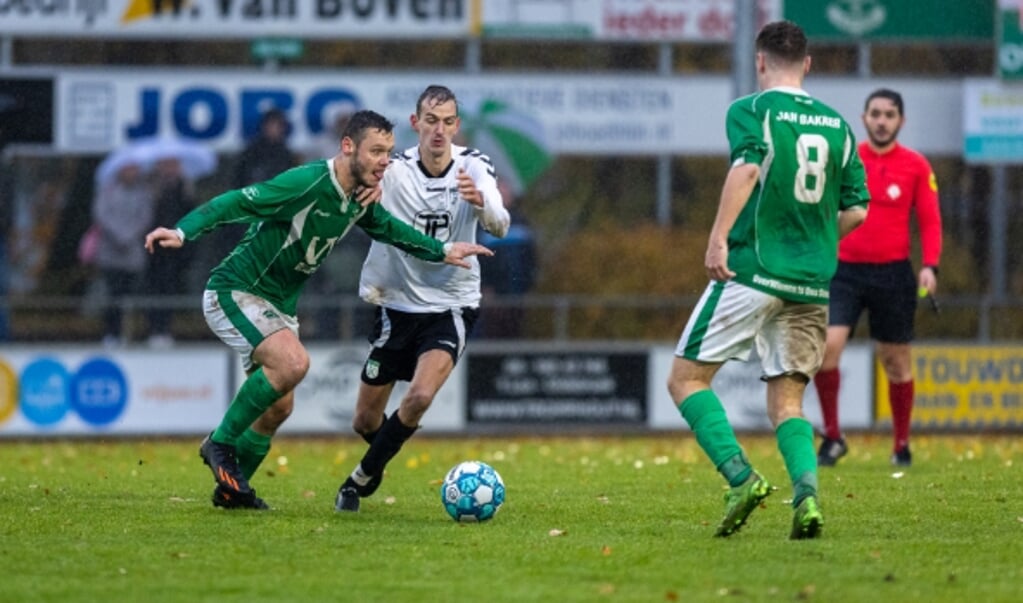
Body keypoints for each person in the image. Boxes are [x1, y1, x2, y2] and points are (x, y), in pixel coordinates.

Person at [144, 110, 492, 510]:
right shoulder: (307, 181)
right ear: (348, 146)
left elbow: (392, 231)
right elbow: (238, 202)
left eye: (389, 152)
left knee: (278, 408)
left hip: (276, 306)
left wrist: (444, 249)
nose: (385, 161)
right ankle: (219, 444)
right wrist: (183, 231)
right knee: (293, 364)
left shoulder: (357, 198)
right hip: (237, 291)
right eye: (377, 151)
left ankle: (231, 492)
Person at [665, 20, 869, 540]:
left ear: (759, 62)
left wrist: (718, 237)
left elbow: (748, 169)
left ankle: (740, 478)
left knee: (686, 379)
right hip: (812, 281)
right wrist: (817, 239)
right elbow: (859, 210)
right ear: (807, 63)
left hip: (755, 270)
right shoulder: (838, 125)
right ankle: (807, 501)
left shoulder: (750, 110)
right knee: (787, 402)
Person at [333, 85, 510, 513]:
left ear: (457, 126)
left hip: (451, 305)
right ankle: (380, 456)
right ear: (416, 123)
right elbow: (356, 188)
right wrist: (364, 193)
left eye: (448, 121)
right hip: (395, 306)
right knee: (365, 421)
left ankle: (357, 480)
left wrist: (482, 204)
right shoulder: (393, 170)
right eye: (431, 120)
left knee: (418, 398)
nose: (439, 130)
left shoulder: (474, 166)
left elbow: (501, 224)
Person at [813, 89, 942, 468]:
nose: (882, 120)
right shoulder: (844, 159)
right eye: (875, 114)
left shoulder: (916, 165)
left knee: (896, 360)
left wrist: (930, 266)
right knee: (826, 350)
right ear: (863, 118)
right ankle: (833, 437)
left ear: (901, 121)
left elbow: (930, 220)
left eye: (889, 114)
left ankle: (901, 444)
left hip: (893, 273)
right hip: (844, 271)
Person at [93, 160, 154, 347]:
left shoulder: (143, 194)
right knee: (112, 293)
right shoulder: (108, 191)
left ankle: (130, 332)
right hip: (111, 253)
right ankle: (111, 333)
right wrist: (118, 235)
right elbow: (101, 215)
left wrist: (129, 235)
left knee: (131, 294)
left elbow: (145, 218)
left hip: (132, 253)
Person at [145, 157, 197, 347]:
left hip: (176, 251)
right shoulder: (152, 188)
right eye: (167, 164)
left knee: (171, 288)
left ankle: (166, 329)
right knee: (153, 289)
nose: (170, 169)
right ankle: (154, 329)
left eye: (174, 164)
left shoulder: (186, 189)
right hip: (154, 251)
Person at [476, 179, 537, 339]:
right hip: (494, 293)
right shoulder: (482, 223)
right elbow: (478, 258)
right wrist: (484, 285)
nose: (503, 195)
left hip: (519, 291)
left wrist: (530, 282)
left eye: (505, 190)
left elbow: (530, 257)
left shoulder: (521, 222)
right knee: (493, 332)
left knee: (516, 331)